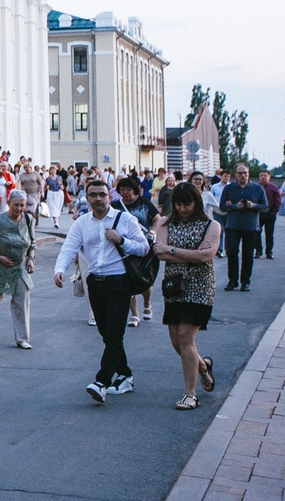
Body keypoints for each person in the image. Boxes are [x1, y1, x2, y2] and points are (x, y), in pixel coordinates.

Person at [52, 177, 150, 404]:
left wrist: (122, 240)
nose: (98, 199)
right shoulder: (82, 223)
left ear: (110, 196)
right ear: (87, 198)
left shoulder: (124, 219)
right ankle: (125, 375)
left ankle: (102, 381)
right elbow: (69, 248)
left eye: (102, 195)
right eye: (93, 195)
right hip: (95, 283)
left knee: (115, 333)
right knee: (107, 334)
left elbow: (144, 247)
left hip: (119, 281)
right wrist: (60, 270)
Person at [153, 182, 221, 410]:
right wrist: (190, 255)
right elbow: (159, 253)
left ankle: (190, 394)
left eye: (187, 204)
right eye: (178, 204)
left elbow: (206, 256)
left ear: (197, 202)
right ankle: (202, 366)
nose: (182, 209)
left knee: (185, 337)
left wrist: (172, 250)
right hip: (174, 286)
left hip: (201, 287)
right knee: (176, 341)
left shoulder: (211, 225)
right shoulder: (165, 222)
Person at [0, 190, 36, 348]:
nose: (19, 208)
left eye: (22, 205)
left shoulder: (29, 219)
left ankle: (22, 338)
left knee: (21, 299)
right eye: (15, 205)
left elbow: (32, 243)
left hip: (18, 267)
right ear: (9, 203)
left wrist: (30, 259)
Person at [112, 175, 160, 327]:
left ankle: (147, 304)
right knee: (129, 279)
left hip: (145, 244)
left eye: (129, 189)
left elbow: (157, 218)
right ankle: (134, 315)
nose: (126, 192)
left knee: (145, 278)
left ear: (135, 190)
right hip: (124, 247)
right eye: (123, 189)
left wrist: (153, 231)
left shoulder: (144, 203)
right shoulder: (115, 205)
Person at [219, 164, 265, 291]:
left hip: (250, 226)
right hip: (233, 225)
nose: (243, 175)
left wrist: (253, 205)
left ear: (248, 173)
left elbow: (265, 206)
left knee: (248, 255)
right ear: (235, 175)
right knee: (232, 252)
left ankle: (245, 281)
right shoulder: (229, 189)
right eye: (240, 173)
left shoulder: (257, 188)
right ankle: (232, 280)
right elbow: (222, 206)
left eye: (245, 173)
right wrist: (234, 206)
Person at [257, 170, 281, 259]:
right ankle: (258, 251)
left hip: (270, 214)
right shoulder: (256, 187)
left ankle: (269, 252)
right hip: (258, 214)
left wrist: (274, 212)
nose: (263, 177)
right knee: (256, 233)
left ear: (269, 177)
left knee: (269, 234)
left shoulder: (273, 188)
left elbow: (278, 201)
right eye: (261, 175)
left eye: (265, 175)